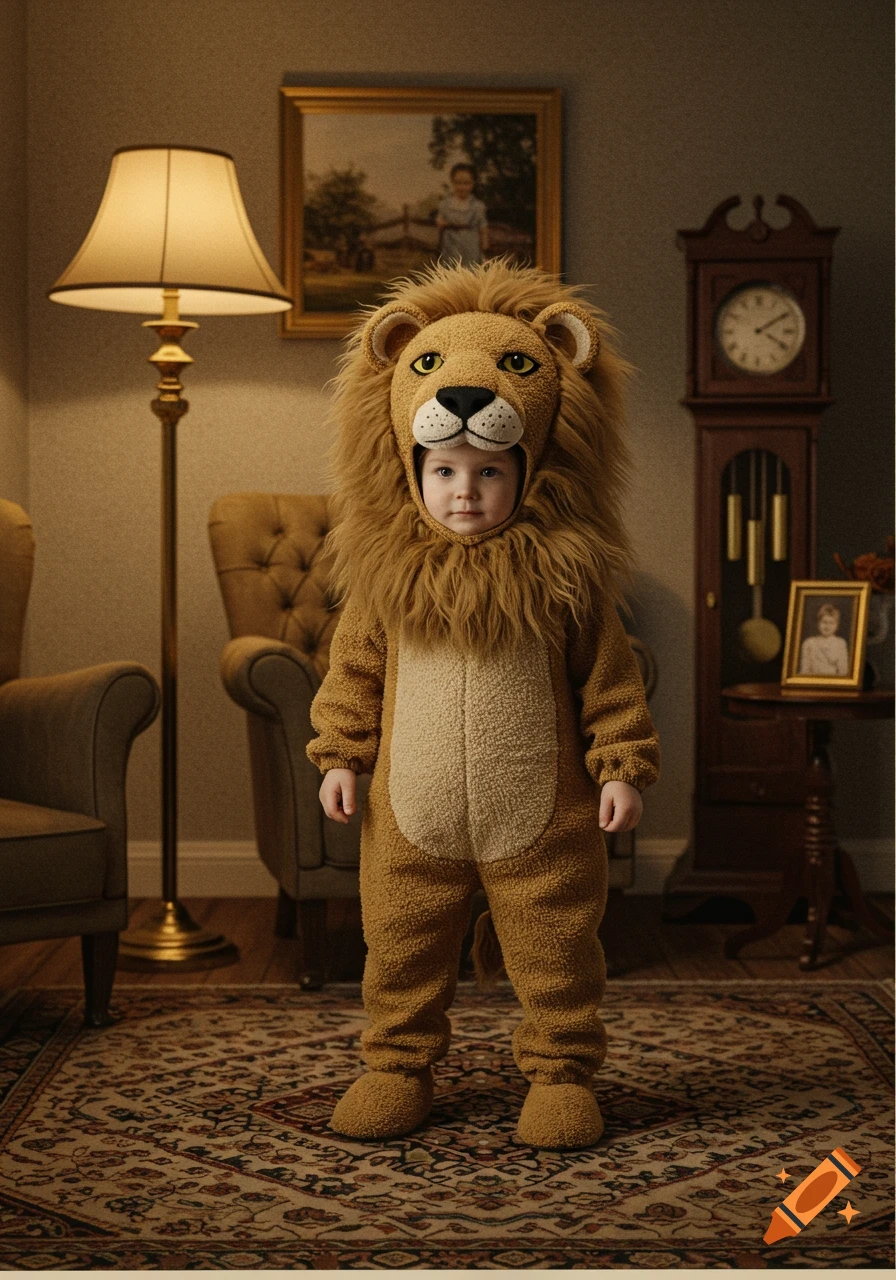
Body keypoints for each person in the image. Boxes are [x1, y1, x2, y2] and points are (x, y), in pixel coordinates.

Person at [305, 261, 660, 1151]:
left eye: (491, 473)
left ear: (528, 474)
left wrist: (621, 766)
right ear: (413, 473)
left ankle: (562, 1070)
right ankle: (396, 1064)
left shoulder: (567, 584)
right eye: (447, 473)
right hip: (408, 816)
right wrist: (339, 757)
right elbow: (352, 678)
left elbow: (611, 682)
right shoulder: (387, 585)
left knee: (556, 947)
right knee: (399, 946)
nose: (466, 491)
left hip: (542, 819)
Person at [435, 163, 488, 265]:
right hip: (450, 244)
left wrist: (485, 244)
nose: (462, 187)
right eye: (458, 183)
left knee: (471, 270)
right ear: (452, 183)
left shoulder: (477, 206)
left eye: (466, 183)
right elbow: (439, 220)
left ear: (473, 183)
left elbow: (483, 226)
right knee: (451, 269)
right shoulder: (445, 204)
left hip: (471, 244)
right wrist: (440, 223)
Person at [799, 602, 850, 676]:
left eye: (831, 623)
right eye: (824, 622)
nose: (827, 626)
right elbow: (804, 670)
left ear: (837, 625)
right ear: (818, 623)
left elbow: (843, 671)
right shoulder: (809, 643)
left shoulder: (840, 643)